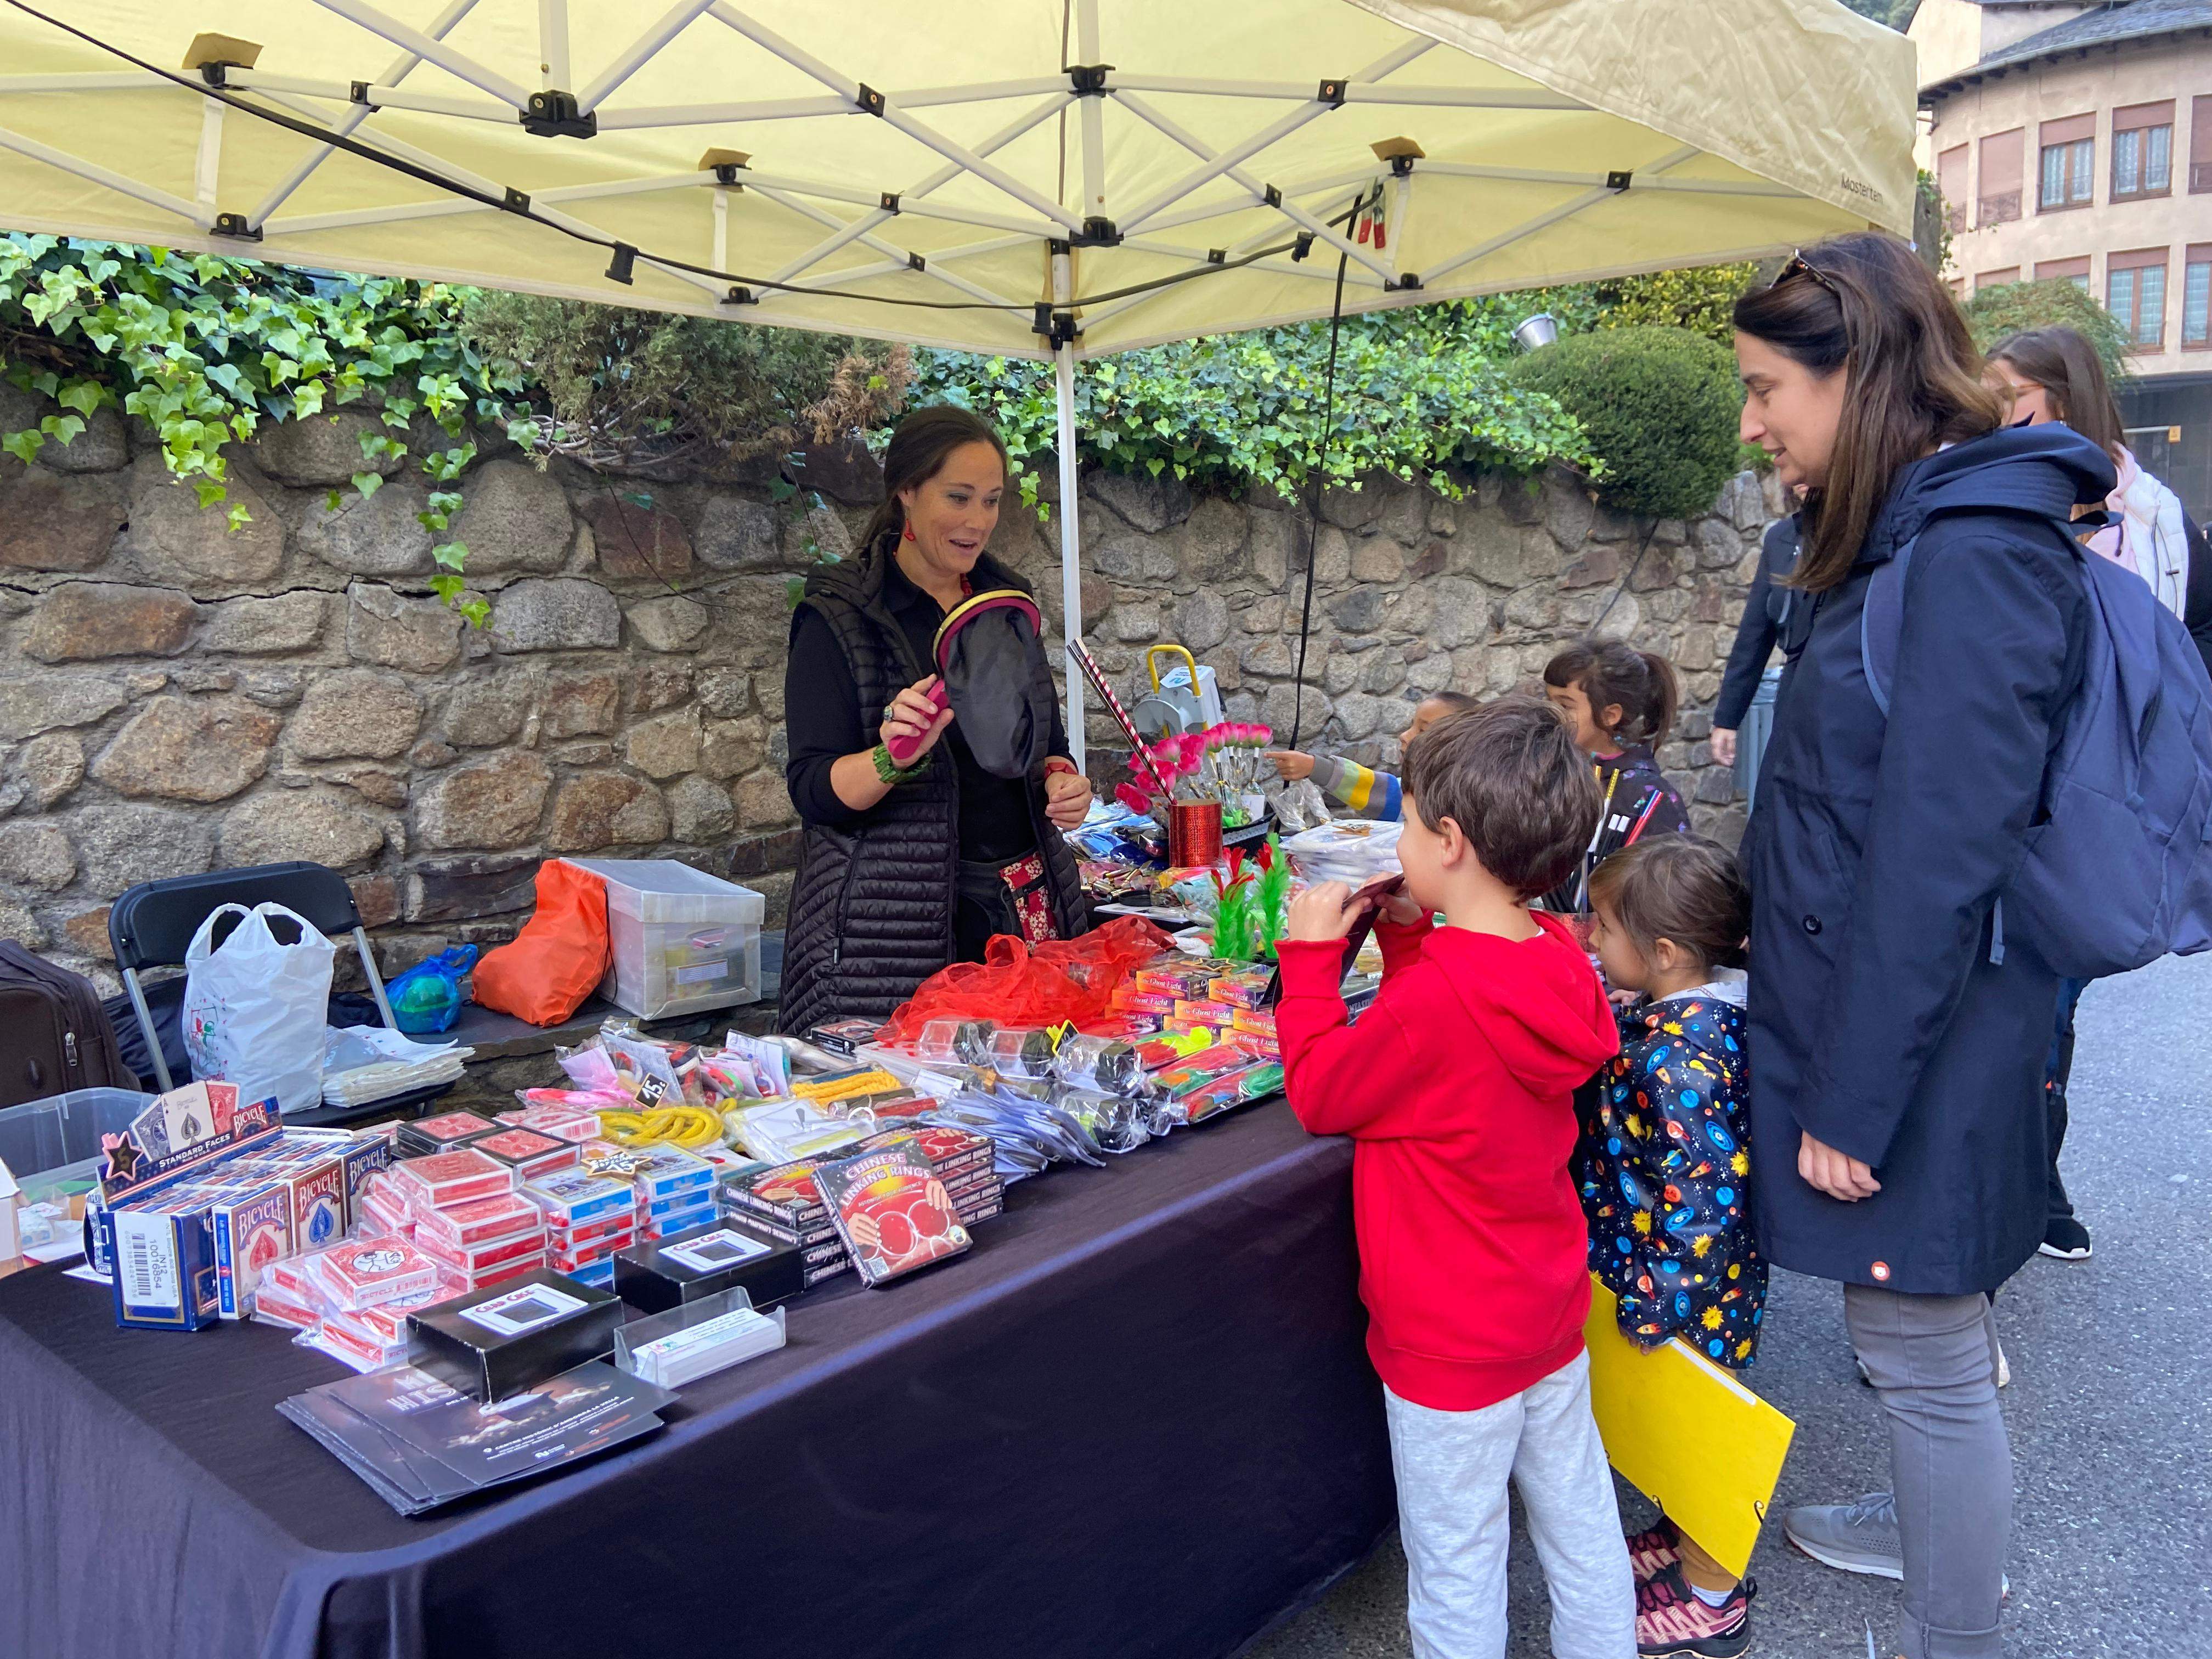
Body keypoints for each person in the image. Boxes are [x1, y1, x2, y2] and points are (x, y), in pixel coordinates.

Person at [1733, 234, 2114, 1659]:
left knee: (1925, 1349)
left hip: (1920, 1035)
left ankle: (1958, 1617)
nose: (1754, 423)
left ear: (1861, 373)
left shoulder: (1971, 553)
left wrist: (1855, 1098)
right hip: (1902, 1014)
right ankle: (1927, 1521)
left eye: (1769, 387)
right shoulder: (1908, 532)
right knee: (1910, 1337)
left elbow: (1938, 859)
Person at [1275, 696, 1633, 1659]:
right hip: (1544, 1307)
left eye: (1403, 821)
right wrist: (1405, 938)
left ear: (1448, 841)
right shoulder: (1559, 955)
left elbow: (1324, 1091)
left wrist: (1307, 964)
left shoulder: (1436, 1000)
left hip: (1448, 1335)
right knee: (1579, 1520)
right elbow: (1452, 1049)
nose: (1394, 842)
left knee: (1457, 1558)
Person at [1985, 323, 2212, 1261]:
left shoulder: (2154, 517)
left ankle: (2036, 1181)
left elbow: (2197, 639)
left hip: (2098, 791)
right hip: (2010, 778)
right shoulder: (1993, 494)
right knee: (2005, 995)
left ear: (2060, 400)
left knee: (2054, 994)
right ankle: (2010, 1187)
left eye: (2008, 396)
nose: (1993, 413)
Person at [779, 406, 1093, 1036]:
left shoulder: (1005, 604)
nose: (978, 521)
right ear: (906, 491)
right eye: (958, 497)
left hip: (1021, 910)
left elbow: (1046, 743)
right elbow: (813, 790)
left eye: (992, 500)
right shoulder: (841, 617)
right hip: (890, 936)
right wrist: (892, 757)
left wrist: (1064, 780)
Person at [1576, 836, 1763, 1659]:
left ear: (1663, 953)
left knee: (1701, 1436)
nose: (1591, 938)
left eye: (1604, 928)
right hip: (1688, 1279)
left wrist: (1658, 1299)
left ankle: (1713, 1596)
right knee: (1675, 1432)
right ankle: (1679, 1538)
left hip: (1687, 1289)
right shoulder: (1689, 1018)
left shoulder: (1681, 1059)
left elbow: (1703, 1201)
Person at [1542, 639, 1691, 840]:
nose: (1550, 712)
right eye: (1548, 700)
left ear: (1610, 716)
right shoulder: (1551, 768)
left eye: (1565, 706)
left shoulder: (1648, 797)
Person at [1265, 690, 1479, 819]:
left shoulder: (1475, 811)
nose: (1404, 735)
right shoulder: (1410, 792)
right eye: (1412, 725)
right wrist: (1315, 767)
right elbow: (1372, 787)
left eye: (1422, 730)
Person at [1709, 496, 1804, 771]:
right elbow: (1755, 634)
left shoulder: (1860, 532)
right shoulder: (1781, 537)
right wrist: (1727, 719)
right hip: (1794, 695)